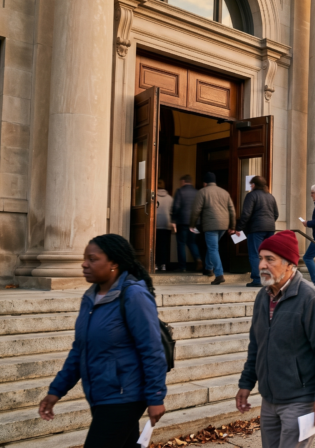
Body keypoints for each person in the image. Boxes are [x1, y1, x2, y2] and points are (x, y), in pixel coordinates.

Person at [39, 234, 168, 447]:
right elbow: (79, 350)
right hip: (99, 393)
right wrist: (56, 390)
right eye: (85, 258)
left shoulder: (134, 295)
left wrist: (156, 397)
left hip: (125, 396)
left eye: (92, 259)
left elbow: (152, 350)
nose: (84, 264)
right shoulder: (90, 297)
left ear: (114, 263)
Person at [236, 230, 315, 448]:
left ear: (289, 264)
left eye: (269, 259)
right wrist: (246, 383)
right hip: (269, 398)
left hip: (300, 400)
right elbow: (256, 344)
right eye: (261, 258)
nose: (261, 264)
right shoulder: (262, 296)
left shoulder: (310, 299)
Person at [190, 172, 236, 285]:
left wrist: (192, 224)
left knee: (213, 248)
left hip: (210, 225)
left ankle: (219, 274)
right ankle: (209, 268)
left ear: (205, 183)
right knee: (213, 247)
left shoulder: (202, 192)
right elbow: (232, 210)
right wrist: (232, 226)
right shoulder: (225, 192)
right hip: (223, 225)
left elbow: (196, 210)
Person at [236, 176, 279, 287]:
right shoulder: (270, 196)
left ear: (254, 185)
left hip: (256, 229)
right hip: (270, 228)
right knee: (268, 255)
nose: (251, 186)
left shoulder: (251, 195)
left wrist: (239, 228)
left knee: (255, 254)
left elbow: (246, 214)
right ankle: (268, 278)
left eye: (251, 184)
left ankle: (257, 279)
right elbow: (276, 214)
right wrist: (268, 223)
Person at [171, 175, 202, 273]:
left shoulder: (180, 191)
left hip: (182, 222)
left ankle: (182, 267)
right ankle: (198, 259)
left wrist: (173, 220)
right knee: (192, 242)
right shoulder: (197, 192)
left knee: (181, 244)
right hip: (194, 222)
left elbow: (176, 207)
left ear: (183, 181)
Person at [155, 179, 175, 271]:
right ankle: (163, 264)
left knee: (155, 245)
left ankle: (155, 264)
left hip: (155, 224)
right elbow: (172, 212)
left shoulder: (154, 197)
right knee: (164, 246)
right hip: (166, 224)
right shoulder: (170, 198)